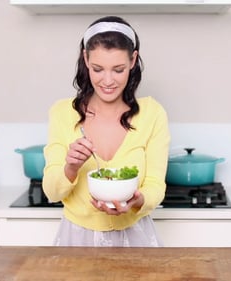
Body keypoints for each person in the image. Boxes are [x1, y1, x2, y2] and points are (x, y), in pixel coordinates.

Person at [42, 16, 171, 247]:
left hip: (137, 237)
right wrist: (70, 167)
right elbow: (52, 192)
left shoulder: (152, 114)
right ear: (85, 59)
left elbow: (155, 185)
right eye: (98, 69)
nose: (108, 81)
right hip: (76, 240)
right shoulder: (62, 113)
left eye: (118, 69)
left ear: (133, 60)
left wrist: (138, 200)